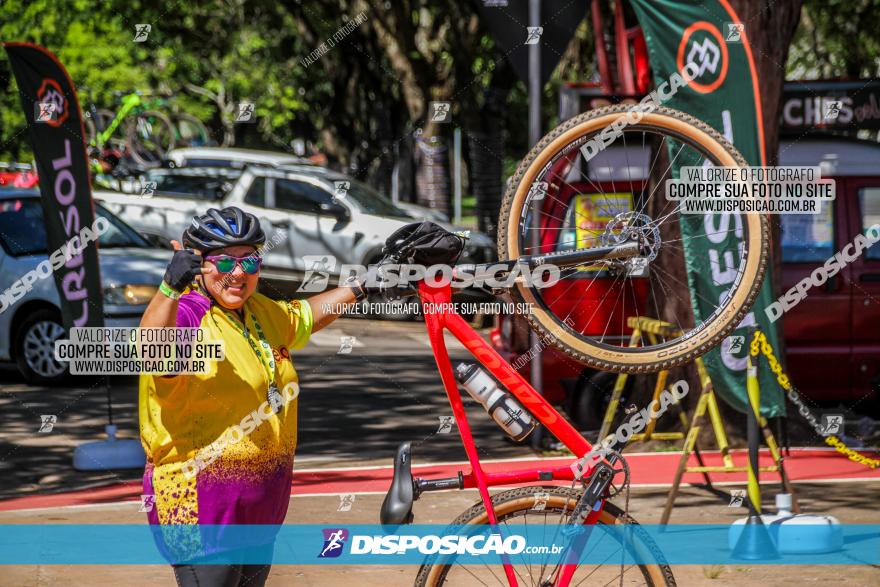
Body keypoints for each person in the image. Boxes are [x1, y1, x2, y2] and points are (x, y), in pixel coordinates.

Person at [138, 206, 375, 587]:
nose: (238, 274)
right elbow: (152, 353)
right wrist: (169, 288)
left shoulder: (257, 311)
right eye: (223, 262)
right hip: (202, 509)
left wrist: (364, 285)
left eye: (249, 262)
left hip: (258, 506)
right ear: (197, 263)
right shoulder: (187, 314)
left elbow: (303, 318)